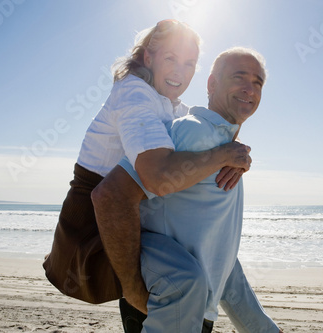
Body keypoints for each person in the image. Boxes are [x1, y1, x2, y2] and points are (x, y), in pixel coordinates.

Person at [43, 19, 253, 331]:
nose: (180, 72)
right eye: (170, 59)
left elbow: (206, 132)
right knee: (186, 279)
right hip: (94, 230)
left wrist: (236, 149)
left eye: (189, 63)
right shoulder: (134, 95)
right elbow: (155, 177)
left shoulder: (171, 107)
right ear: (148, 58)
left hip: (133, 225)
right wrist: (222, 156)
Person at [93, 47, 282, 332]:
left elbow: (221, 260)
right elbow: (110, 195)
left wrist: (262, 329)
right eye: (239, 77)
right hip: (165, 304)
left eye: (257, 82)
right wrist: (131, 289)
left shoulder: (229, 151)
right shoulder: (191, 131)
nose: (249, 88)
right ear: (212, 84)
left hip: (196, 313)